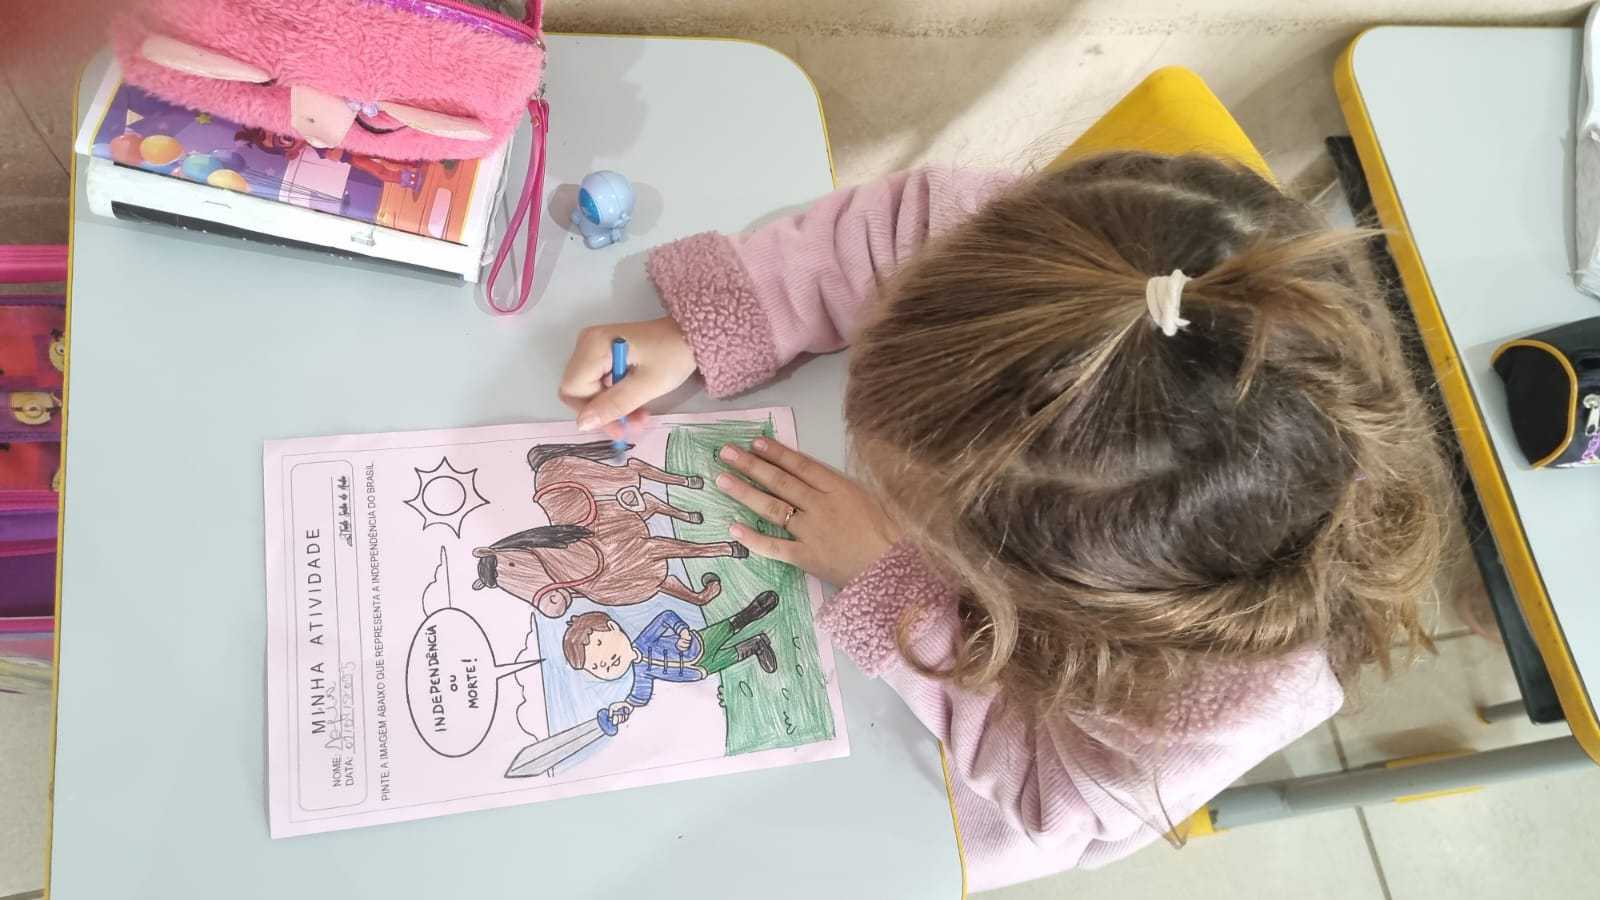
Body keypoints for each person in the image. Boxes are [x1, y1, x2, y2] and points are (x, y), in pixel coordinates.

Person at [556, 153, 1452, 891]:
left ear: (1037, 581)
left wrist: (896, 587)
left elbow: (1055, 802)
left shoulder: (1222, 698)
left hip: (923, 789)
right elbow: (904, 223)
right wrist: (708, 325)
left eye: (924, 505)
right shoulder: (1059, 260)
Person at [563, 591, 781, 725]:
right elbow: (640, 694)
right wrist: (626, 706)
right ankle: (756, 645)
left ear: (613, 627)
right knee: (730, 657)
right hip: (698, 671)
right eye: (596, 666)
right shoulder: (642, 672)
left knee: (726, 629)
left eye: (600, 644)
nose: (605, 661)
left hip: (697, 644)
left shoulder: (644, 641)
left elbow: (665, 617)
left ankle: (752, 612)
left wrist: (682, 632)